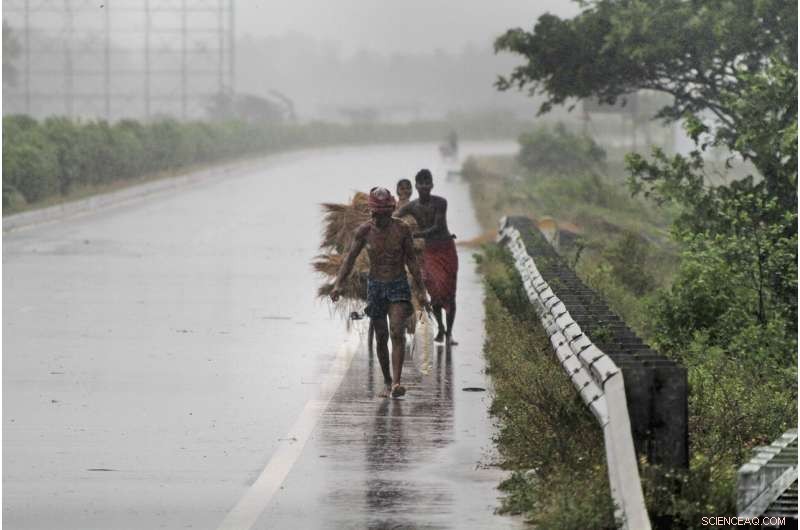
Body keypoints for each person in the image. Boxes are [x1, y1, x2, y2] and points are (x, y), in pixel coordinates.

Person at [331, 187, 429, 398]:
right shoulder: (364, 232)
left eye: (385, 214)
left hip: (398, 285)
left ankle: (396, 382)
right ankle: (386, 380)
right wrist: (339, 284)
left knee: (396, 331)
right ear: (372, 212)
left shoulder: (402, 230)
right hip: (375, 286)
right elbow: (349, 259)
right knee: (382, 335)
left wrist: (421, 291)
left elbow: (411, 260)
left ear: (391, 211)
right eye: (377, 214)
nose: (381, 218)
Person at [395, 169, 459, 345]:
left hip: (446, 249)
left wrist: (413, 235)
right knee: (434, 290)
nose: (424, 186)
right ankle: (441, 328)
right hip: (429, 252)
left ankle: (450, 334)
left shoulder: (441, 203)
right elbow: (395, 217)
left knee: (450, 293)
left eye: (427, 183)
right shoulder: (411, 206)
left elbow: (437, 227)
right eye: (421, 183)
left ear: (431, 185)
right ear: (417, 186)